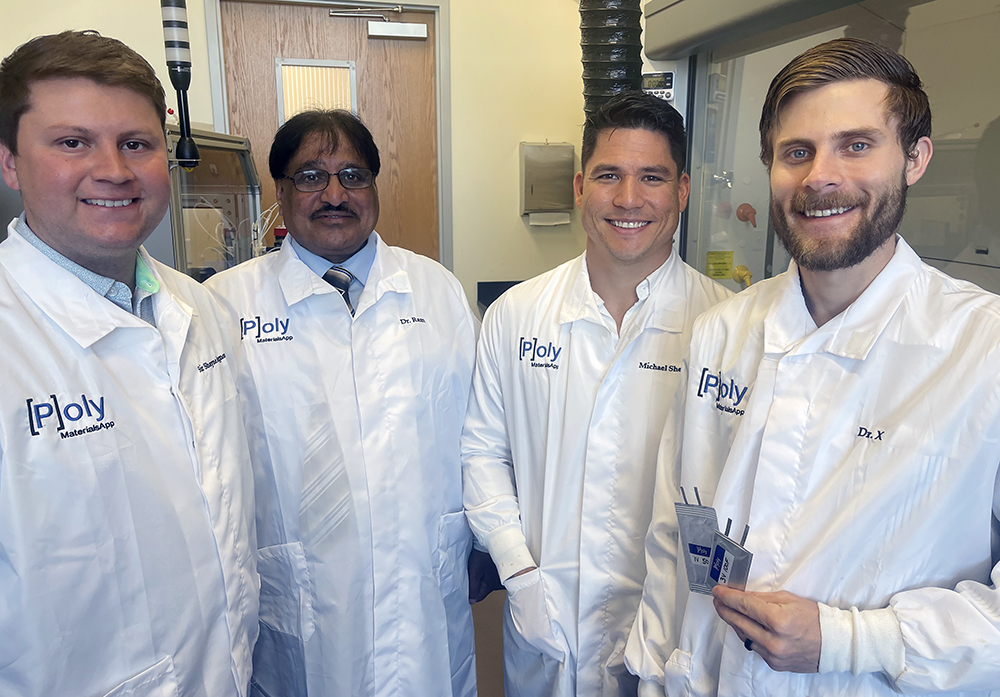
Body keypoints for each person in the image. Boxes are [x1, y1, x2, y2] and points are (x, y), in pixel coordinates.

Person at [627, 37, 1000, 696]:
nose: (821, 176)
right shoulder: (722, 333)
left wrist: (851, 639)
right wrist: (658, 672)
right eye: (796, 152)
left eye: (856, 145)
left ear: (915, 158)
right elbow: (677, 527)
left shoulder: (983, 351)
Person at [0, 31, 258, 697]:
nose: (112, 168)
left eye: (136, 144)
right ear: (8, 162)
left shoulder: (200, 311)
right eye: (72, 142)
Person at [461, 91, 732, 697]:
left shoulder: (727, 326)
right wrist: (519, 569)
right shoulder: (518, 315)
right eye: (609, 175)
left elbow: (741, 495)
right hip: (545, 617)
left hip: (674, 633)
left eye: (652, 177)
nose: (629, 198)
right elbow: (481, 453)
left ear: (683, 191)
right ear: (582, 186)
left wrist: (707, 610)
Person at [206, 109, 479, 697]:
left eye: (353, 175)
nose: (334, 193)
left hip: (422, 590)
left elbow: (478, 433)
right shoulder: (221, 307)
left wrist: (483, 537)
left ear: (374, 187)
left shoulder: (437, 290)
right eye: (311, 176)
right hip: (300, 594)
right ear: (280, 190)